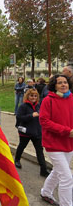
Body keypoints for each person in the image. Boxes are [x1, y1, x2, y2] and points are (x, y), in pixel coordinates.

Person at [39, 74, 73, 206]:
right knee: (67, 177)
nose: (64, 85)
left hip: (69, 143)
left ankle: (46, 192)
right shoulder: (48, 100)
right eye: (60, 83)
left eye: (65, 82)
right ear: (54, 86)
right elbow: (44, 121)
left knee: (57, 171)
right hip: (53, 143)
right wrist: (66, 131)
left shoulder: (71, 98)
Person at [14, 89, 49, 177]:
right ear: (27, 96)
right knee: (22, 146)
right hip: (25, 132)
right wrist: (31, 115)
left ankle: (43, 169)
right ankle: (17, 159)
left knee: (39, 151)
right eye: (31, 96)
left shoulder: (38, 106)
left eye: (35, 96)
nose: (33, 98)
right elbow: (19, 117)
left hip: (37, 132)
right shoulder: (23, 106)